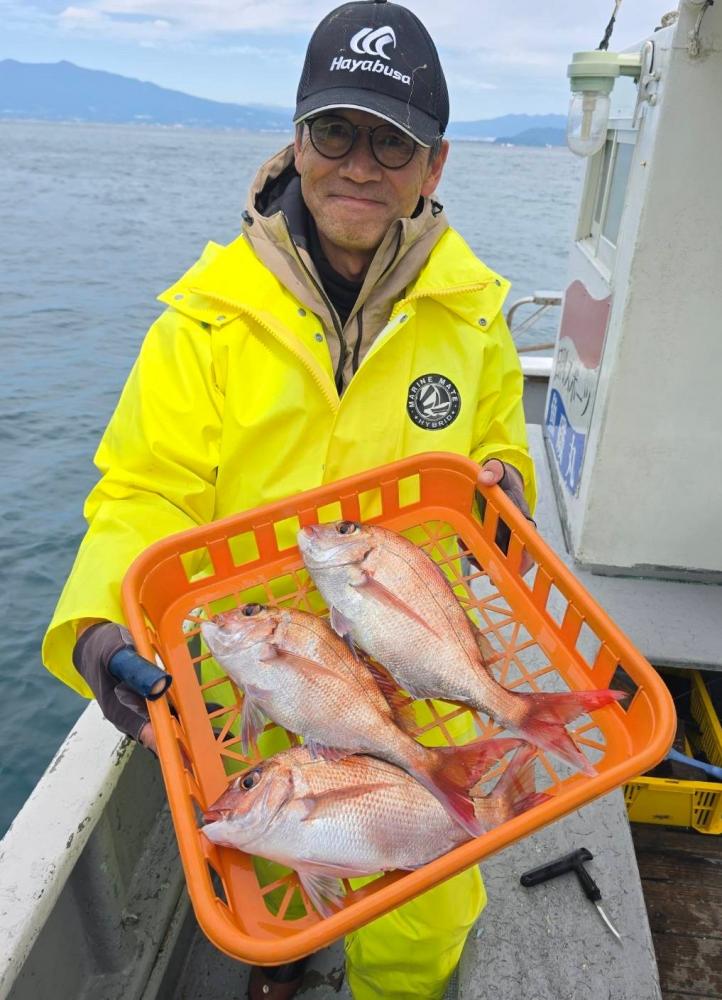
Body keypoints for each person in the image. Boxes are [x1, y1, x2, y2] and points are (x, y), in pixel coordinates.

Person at [43, 1, 536, 997]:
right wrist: (98, 626)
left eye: (391, 141)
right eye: (335, 131)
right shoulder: (203, 322)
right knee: (271, 862)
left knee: (426, 902)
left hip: (415, 679)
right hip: (256, 684)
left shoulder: (476, 318)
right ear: (298, 139)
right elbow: (146, 489)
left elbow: (496, 454)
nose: (359, 164)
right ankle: (289, 964)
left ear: (433, 165)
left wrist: (506, 494)